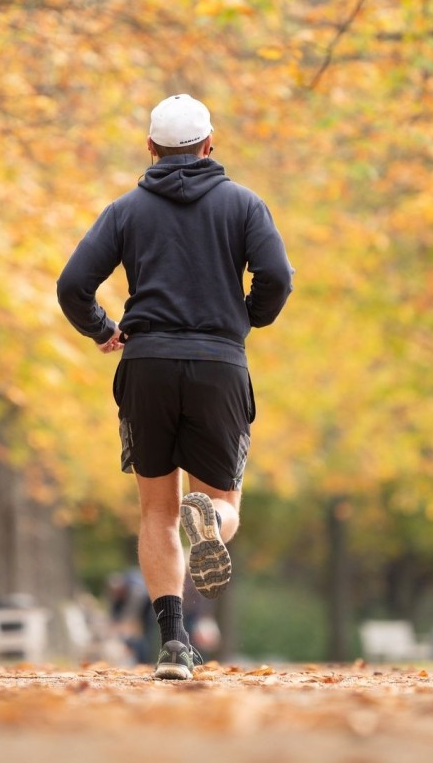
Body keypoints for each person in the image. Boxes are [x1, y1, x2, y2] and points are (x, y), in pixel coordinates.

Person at [56, 93, 293, 680]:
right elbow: (277, 277)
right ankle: (210, 520)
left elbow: (72, 285)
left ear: (151, 148)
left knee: (157, 512)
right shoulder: (244, 205)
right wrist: (248, 316)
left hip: (148, 365)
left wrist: (105, 330)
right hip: (218, 364)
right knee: (221, 502)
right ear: (210, 145)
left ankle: (173, 647)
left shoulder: (126, 210)